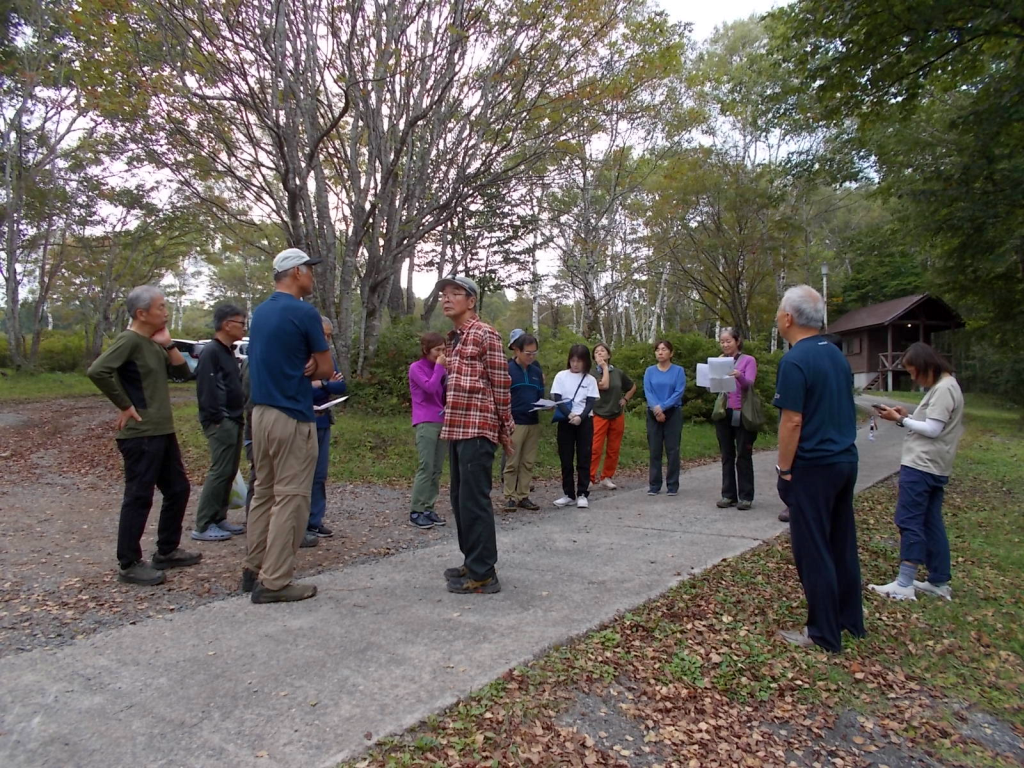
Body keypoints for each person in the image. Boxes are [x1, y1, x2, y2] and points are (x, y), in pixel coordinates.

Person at [87, 285, 202, 586]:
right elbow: (98, 371)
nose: (166, 311)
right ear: (142, 313)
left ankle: (166, 551)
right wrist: (124, 405)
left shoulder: (151, 343)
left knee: (178, 489)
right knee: (139, 496)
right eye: (161, 307)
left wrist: (168, 345)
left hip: (162, 430)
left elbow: (182, 376)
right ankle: (129, 563)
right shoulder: (129, 340)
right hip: (141, 434)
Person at [773, 284, 864, 653]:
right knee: (841, 542)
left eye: (780, 310)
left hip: (813, 465)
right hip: (844, 460)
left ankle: (824, 632)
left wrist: (783, 468)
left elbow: (792, 421)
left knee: (813, 549)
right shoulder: (837, 355)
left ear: (789, 317)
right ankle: (849, 620)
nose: (778, 315)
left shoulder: (795, 360)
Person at [243, 248, 334, 604]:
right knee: (293, 497)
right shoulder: (304, 312)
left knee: (264, 491)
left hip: (260, 414)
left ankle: (253, 568)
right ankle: (276, 581)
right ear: (296, 272)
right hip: (292, 414)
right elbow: (326, 370)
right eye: (309, 270)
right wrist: (314, 363)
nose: (312, 276)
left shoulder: (260, 313)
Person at [436, 275, 514, 595]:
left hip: (478, 429)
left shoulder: (485, 334)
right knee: (460, 500)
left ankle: (484, 574)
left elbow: (500, 384)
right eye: (444, 293)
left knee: (474, 502)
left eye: (456, 293)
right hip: (456, 428)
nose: (447, 298)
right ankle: (473, 560)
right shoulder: (454, 339)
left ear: (471, 302)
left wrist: (505, 428)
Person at [868, 343, 964, 602]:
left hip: (922, 465)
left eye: (913, 372)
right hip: (935, 465)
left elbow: (933, 429)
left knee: (908, 519)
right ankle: (939, 580)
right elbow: (933, 423)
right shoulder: (947, 386)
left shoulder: (944, 388)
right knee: (930, 521)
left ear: (926, 366)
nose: (912, 378)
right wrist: (907, 416)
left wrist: (898, 419)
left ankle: (904, 583)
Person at [191, 303, 248, 542]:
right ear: (226, 325)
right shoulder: (211, 352)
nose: (243, 327)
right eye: (240, 323)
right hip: (221, 421)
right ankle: (203, 524)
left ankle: (219, 517)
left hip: (234, 418)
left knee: (229, 471)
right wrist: (217, 419)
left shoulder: (227, 351)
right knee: (219, 470)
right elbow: (206, 389)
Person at [307, 316, 347, 542]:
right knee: (302, 474)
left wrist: (321, 383)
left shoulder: (328, 358)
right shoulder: (300, 356)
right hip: (304, 421)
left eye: (330, 335)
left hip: (323, 420)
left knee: (319, 475)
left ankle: (315, 520)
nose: (327, 339)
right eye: (324, 334)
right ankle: (300, 523)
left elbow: (341, 385)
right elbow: (299, 387)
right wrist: (319, 385)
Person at [713, 328, 758, 511]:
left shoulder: (748, 360)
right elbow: (716, 386)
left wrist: (740, 377)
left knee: (743, 454)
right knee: (726, 455)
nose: (725, 345)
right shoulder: (719, 361)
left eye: (728, 341)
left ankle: (746, 496)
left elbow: (750, 384)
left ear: (737, 341)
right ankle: (728, 495)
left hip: (742, 412)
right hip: (724, 412)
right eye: (722, 341)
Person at [551, 344, 600, 509]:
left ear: (585, 362)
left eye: (579, 361)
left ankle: (582, 493)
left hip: (585, 421)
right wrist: (569, 415)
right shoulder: (561, 376)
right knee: (566, 458)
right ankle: (568, 493)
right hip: (566, 421)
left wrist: (581, 417)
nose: (575, 364)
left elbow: (591, 402)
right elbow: (557, 398)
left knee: (584, 457)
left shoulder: (590, 379)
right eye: (572, 360)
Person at [408, 331, 448, 529]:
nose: (441, 353)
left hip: (443, 420)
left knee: (437, 468)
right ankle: (416, 510)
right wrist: (440, 367)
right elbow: (430, 388)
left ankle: (428, 508)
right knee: (426, 466)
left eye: (443, 349)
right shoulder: (417, 368)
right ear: (426, 350)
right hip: (425, 421)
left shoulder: (440, 369)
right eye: (437, 350)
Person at [503, 329, 544, 511]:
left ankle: (523, 495)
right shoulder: (507, 369)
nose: (531, 356)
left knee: (528, 461)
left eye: (534, 353)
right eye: (528, 353)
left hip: (533, 421)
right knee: (512, 461)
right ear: (517, 351)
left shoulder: (536, 371)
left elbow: (540, 394)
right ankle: (510, 496)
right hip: (515, 422)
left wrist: (546, 405)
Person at [590, 342, 636, 491]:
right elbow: (604, 385)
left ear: (609, 355)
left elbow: (632, 386)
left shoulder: (618, 373)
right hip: (599, 413)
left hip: (616, 413)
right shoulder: (591, 374)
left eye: (603, 351)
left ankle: (606, 477)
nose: (600, 353)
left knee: (613, 448)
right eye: (597, 352)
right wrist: (603, 368)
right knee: (595, 447)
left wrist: (625, 399)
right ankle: (590, 477)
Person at [643, 340, 686, 496]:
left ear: (671, 353)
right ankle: (654, 485)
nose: (660, 352)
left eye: (664, 349)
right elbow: (648, 391)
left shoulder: (678, 371)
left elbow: (678, 391)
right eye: (658, 350)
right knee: (655, 449)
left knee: (672, 449)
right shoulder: (649, 371)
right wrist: (656, 408)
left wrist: (663, 407)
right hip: (653, 413)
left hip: (672, 412)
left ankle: (672, 485)